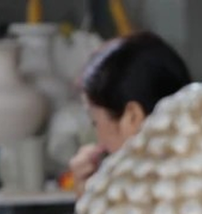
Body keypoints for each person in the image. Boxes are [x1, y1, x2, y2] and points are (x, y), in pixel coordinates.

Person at [68, 31, 191, 192]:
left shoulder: (136, 207)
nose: (99, 144)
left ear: (133, 117)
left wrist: (90, 203)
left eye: (95, 121)